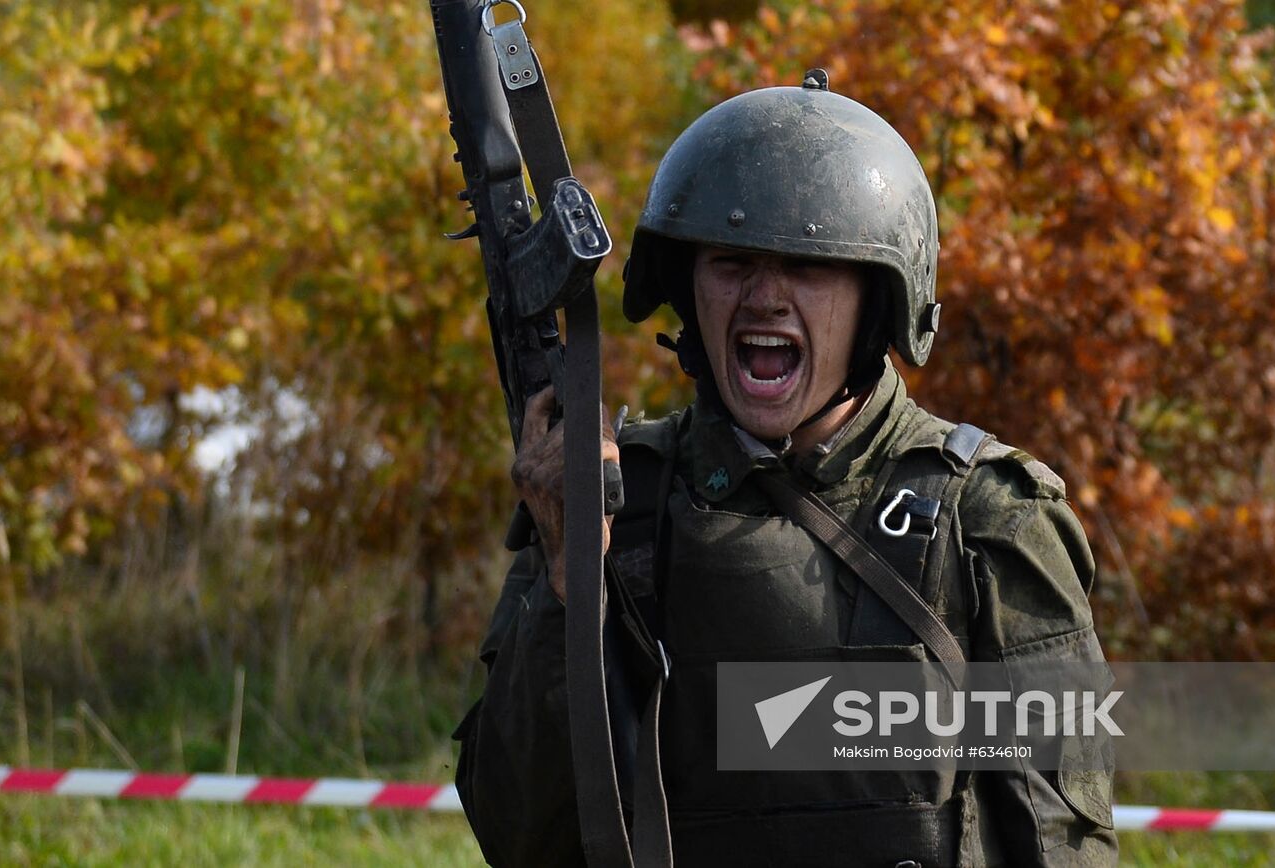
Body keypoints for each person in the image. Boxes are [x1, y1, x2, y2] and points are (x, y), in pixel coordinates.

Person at [454, 71, 1118, 867]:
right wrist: (570, 587)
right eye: (732, 261)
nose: (765, 296)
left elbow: (1061, 842)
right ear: (688, 286)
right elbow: (518, 835)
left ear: (877, 301)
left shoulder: (990, 521)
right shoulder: (605, 502)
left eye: (808, 265)